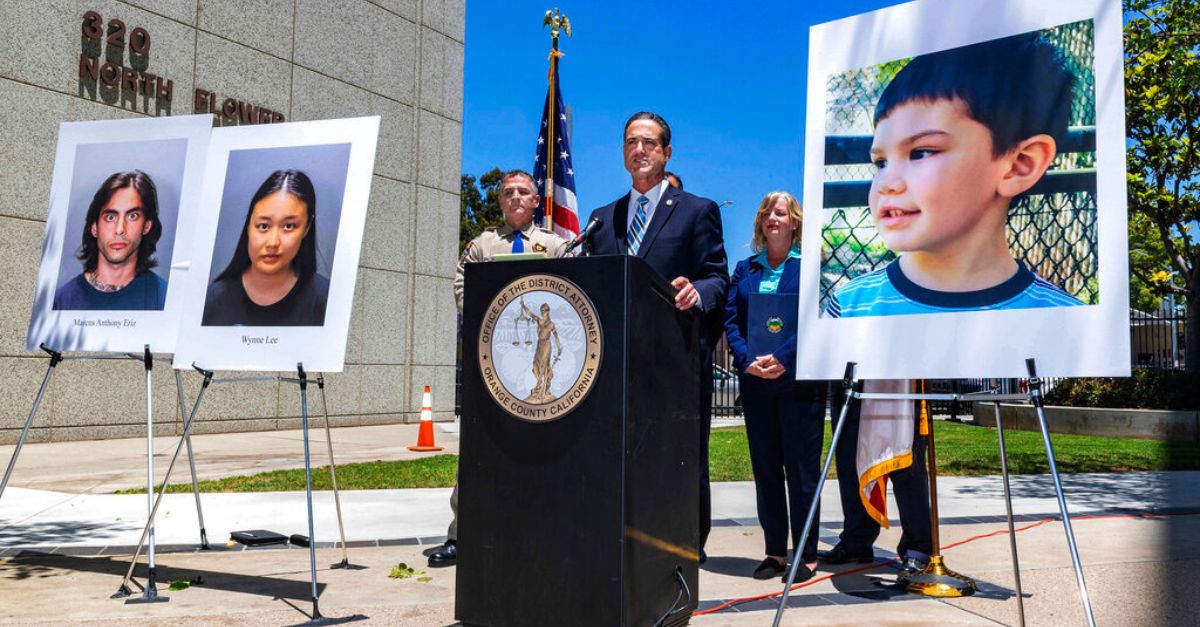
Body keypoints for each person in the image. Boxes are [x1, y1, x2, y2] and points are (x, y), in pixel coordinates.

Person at [826, 32, 1084, 318]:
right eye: (881, 162)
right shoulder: (848, 305)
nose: (887, 183)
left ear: (1019, 165)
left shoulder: (1066, 319)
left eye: (921, 152)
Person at [588, 111, 729, 559]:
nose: (639, 150)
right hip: (617, 365)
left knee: (681, 458)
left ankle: (686, 544)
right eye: (631, 142)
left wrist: (698, 291)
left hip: (676, 362)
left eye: (649, 142)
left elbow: (716, 277)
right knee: (622, 455)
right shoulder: (601, 218)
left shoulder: (696, 211)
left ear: (667, 153)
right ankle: (625, 536)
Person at [430, 169, 571, 567]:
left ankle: (544, 533)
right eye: (507, 192)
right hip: (492, 362)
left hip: (539, 364)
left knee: (543, 449)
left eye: (522, 192)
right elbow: (462, 285)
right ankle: (463, 536)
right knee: (479, 449)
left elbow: (573, 290)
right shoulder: (483, 246)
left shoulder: (556, 246)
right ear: (500, 201)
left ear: (536, 200)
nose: (514, 198)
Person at [723, 191, 826, 581]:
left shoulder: (811, 268)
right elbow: (731, 320)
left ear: (794, 222)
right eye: (766, 212)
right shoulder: (745, 269)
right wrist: (748, 359)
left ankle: (806, 555)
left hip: (798, 383)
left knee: (801, 471)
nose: (772, 218)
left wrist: (784, 357)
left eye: (780, 213)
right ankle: (774, 552)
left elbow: (816, 319)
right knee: (766, 469)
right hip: (756, 383)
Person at [820, 384, 932, 576]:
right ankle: (857, 540)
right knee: (850, 463)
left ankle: (917, 547)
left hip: (899, 383)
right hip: (853, 380)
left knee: (906, 468)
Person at [201, 169, 330, 326]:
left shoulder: (326, 301)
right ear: (249, 225)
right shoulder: (214, 299)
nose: (273, 243)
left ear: (307, 228)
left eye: (289, 226)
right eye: (263, 226)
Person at [53, 170, 168, 310]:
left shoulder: (163, 298)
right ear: (94, 228)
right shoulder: (63, 301)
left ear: (146, 226)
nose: (120, 229)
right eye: (110, 217)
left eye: (132, 216)